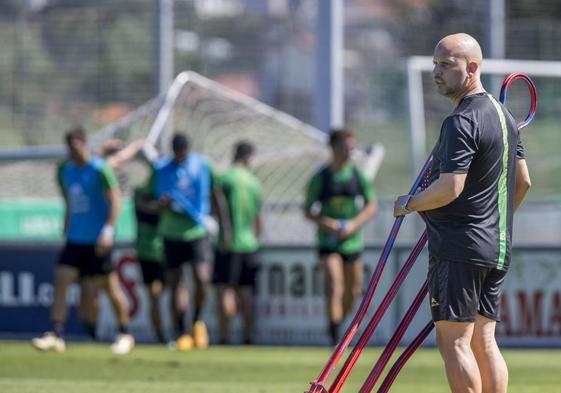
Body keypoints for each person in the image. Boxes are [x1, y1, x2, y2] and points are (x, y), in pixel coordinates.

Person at [393, 33, 531, 393]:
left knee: (454, 341)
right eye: (434, 64)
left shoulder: (461, 120)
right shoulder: (506, 117)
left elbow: (449, 188)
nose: (436, 72)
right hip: (495, 246)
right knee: (483, 341)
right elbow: (523, 184)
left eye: (445, 64)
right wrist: (492, 224)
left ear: (471, 68)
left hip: (459, 247)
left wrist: (409, 203)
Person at [32, 126, 135, 354]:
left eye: (76, 147)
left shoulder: (100, 169)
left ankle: (125, 333)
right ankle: (56, 334)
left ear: (84, 144)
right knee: (61, 279)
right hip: (75, 238)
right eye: (69, 148)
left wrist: (108, 230)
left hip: (97, 239)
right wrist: (67, 223)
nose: (72, 152)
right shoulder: (65, 170)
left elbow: (115, 200)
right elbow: (70, 200)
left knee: (109, 287)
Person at [304, 128, 378, 346]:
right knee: (334, 285)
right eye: (345, 148)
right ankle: (336, 341)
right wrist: (329, 224)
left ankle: (338, 323)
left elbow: (372, 206)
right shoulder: (321, 178)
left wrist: (354, 224)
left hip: (352, 241)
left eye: (352, 148)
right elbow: (308, 210)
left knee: (352, 291)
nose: (349, 152)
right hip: (328, 241)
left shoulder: (357, 176)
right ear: (333, 148)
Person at [150, 132, 212, 350]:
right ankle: (180, 332)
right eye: (177, 153)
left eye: (183, 152)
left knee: (202, 278)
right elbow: (159, 197)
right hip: (171, 233)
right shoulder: (162, 168)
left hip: (196, 231)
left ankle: (196, 321)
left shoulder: (200, 164)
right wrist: (165, 203)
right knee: (176, 283)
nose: (180, 156)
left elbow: (208, 195)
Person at [212, 141, 262, 345]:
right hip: (249, 244)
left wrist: (226, 233)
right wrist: (255, 239)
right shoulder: (253, 182)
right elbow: (258, 218)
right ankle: (248, 338)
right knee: (246, 293)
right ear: (249, 156)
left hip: (228, 244)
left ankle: (224, 338)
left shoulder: (225, 178)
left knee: (225, 291)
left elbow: (217, 209)